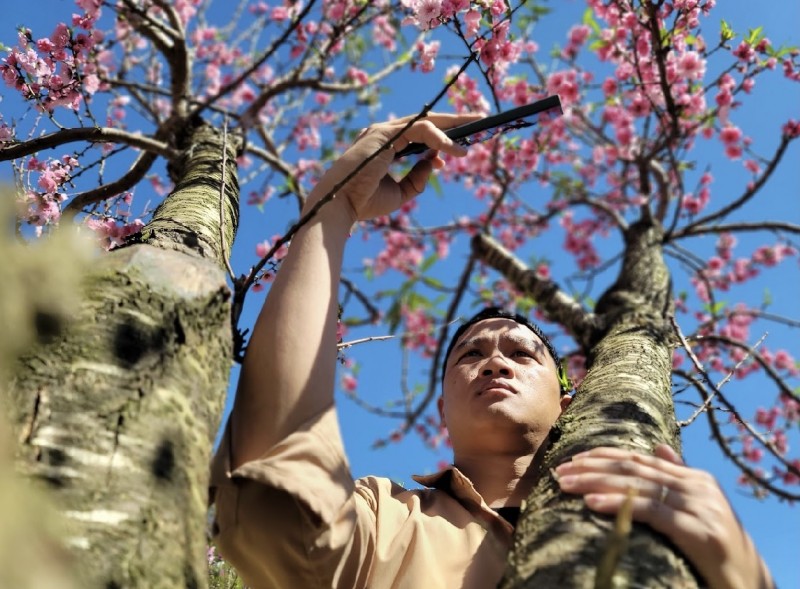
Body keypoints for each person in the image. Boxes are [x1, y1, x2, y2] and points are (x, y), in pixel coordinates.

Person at [210, 114, 775, 588]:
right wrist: (332, 209)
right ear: (441, 407)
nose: (496, 361)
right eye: (469, 355)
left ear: (568, 397)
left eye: (524, 354)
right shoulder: (384, 519)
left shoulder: (674, 525)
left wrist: (741, 569)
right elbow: (272, 488)